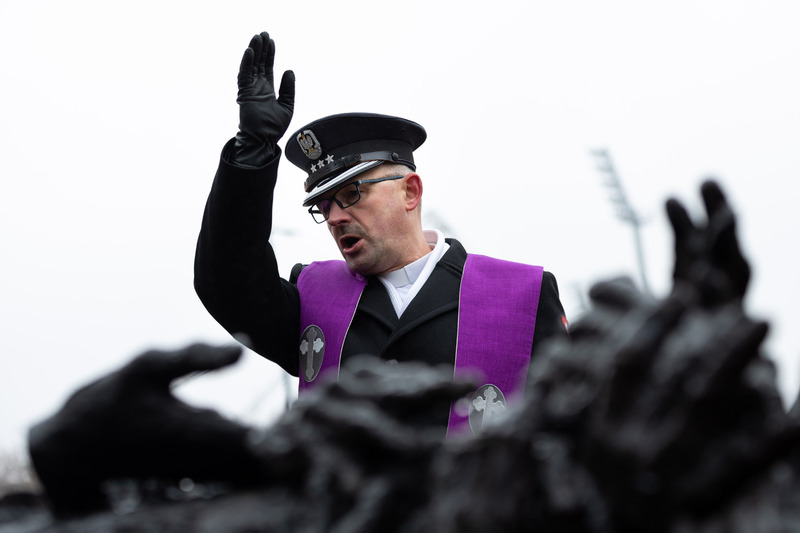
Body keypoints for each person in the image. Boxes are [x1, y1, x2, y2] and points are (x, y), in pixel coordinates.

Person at [194, 31, 569, 437]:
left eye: (352, 194)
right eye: (324, 207)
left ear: (410, 191)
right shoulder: (312, 296)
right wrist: (253, 148)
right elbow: (227, 281)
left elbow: (571, 426)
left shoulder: (524, 293)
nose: (336, 217)